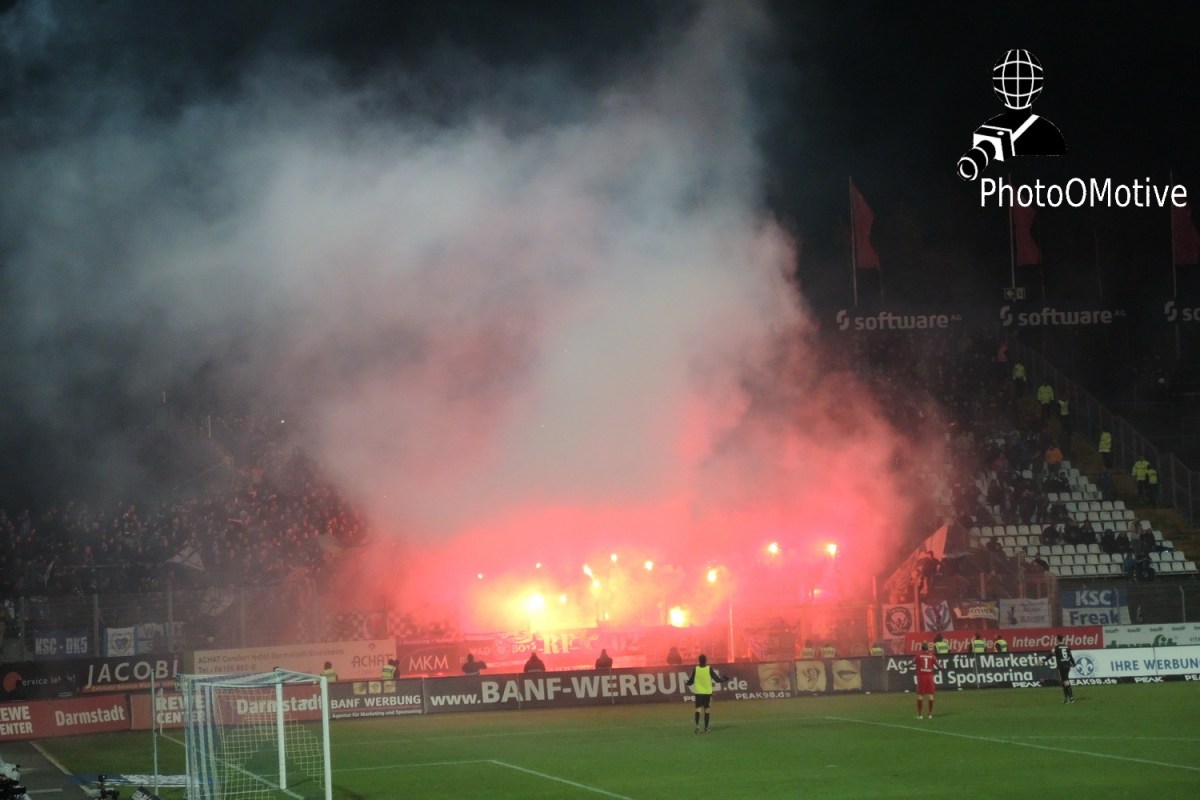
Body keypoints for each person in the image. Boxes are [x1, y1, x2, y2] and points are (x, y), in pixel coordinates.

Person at [685, 654, 728, 734]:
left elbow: (691, 681)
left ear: (699, 661)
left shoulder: (696, 669)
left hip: (698, 693)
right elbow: (717, 679)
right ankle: (706, 728)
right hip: (707, 693)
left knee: (698, 709)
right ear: (706, 660)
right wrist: (724, 679)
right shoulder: (709, 669)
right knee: (707, 710)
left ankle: (697, 727)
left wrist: (687, 683)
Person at [914, 641, 939, 719]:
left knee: (920, 695)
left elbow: (912, 663)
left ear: (921, 648)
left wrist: (906, 666)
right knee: (931, 695)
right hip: (930, 677)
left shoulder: (918, 656)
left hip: (922, 677)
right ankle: (930, 715)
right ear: (928, 648)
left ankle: (920, 715)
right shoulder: (932, 656)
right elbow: (939, 666)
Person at [1048, 635, 1076, 704]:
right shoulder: (1067, 647)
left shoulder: (1056, 647)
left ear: (1057, 639)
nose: (1056, 640)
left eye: (1056, 639)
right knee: (1064, 681)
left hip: (1061, 666)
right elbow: (1070, 656)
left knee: (1065, 681)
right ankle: (1066, 698)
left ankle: (1071, 698)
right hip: (1067, 666)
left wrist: (1043, 661)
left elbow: (1051, 654)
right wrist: (1073, 663)